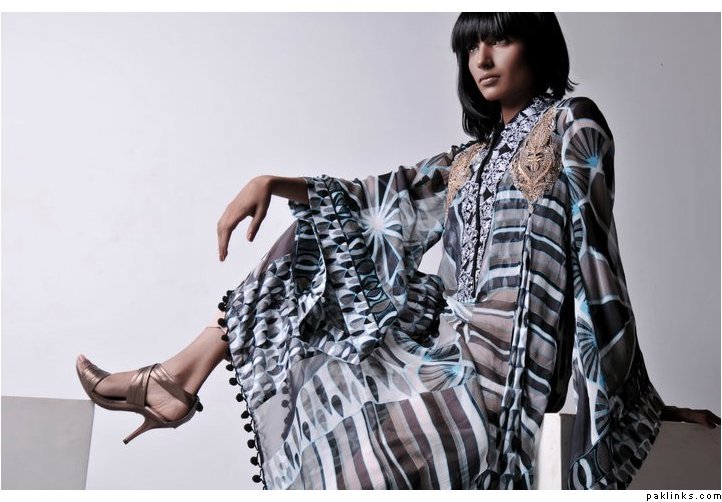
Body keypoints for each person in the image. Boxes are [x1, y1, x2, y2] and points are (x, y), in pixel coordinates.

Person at [76, 12, 719, 489]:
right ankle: (180, 376)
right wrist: (272, 180)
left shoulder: (572, 124)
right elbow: (376, 202)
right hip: (444, 352)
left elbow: (599, 266)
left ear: (538, 44)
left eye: (499, 39)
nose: (481, 59)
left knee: (363, 468)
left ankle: (173, 382)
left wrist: (638, 406)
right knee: (317, 236)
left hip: (508, 378)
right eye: (469, 46)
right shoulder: (466, 161)